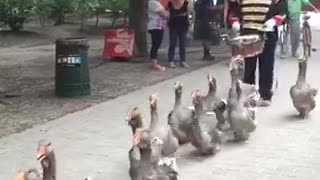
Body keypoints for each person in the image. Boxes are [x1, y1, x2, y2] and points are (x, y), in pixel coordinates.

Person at [229, 0, 288, 106]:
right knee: (248, 65)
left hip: (266, 34)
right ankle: (247, 93)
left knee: (266, 64)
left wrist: (274, 20)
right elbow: (234, 8)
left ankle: (265, 94)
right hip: (247, 34)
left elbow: (282, 9)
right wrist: (235, 21)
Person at [167, 0, 191, 68]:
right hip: (173, 26)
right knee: (172, 43)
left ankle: (183, 61)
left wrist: (189, 26)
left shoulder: (186, 4)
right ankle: (171, 61)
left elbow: (188, 16)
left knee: (182, 44)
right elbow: (168, 15)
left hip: (183, 26)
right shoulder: (170, 4)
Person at [148, 0, 169, 71]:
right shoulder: (153, 2)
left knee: (157, 44)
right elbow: (164, 14)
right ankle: (154, 64)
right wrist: (167, 12)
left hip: (159, 26)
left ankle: (154, 63)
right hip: (155, 26)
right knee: (156, 44)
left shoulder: (158, 3)